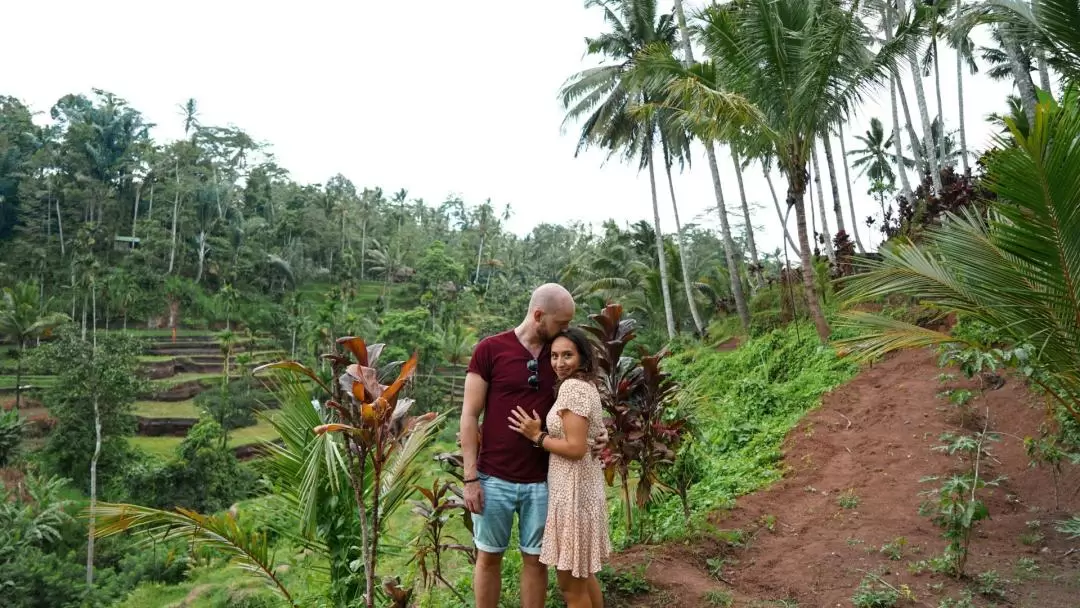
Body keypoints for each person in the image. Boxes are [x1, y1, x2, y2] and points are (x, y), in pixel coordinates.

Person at [460, 283, 604, 608]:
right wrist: (470, 478)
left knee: (536, 562)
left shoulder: (561, 356)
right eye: (561, 323)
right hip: (493, 477)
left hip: (543, 481)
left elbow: (581, 408)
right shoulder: (490, 350)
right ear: (539, 315)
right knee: (488, 557)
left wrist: (598, 433)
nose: (565, 330)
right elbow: (469, 415)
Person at [508, 327, 610, 608]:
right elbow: (589, 436)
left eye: (568, 355)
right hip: (582, 490)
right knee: (584, 577)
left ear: (583, 357)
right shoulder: (586, 385)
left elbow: (576, 448)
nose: (559, 362)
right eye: (554, 356)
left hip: (574, 495)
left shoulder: (573, 388)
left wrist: (536, 436)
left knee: (571, 587)